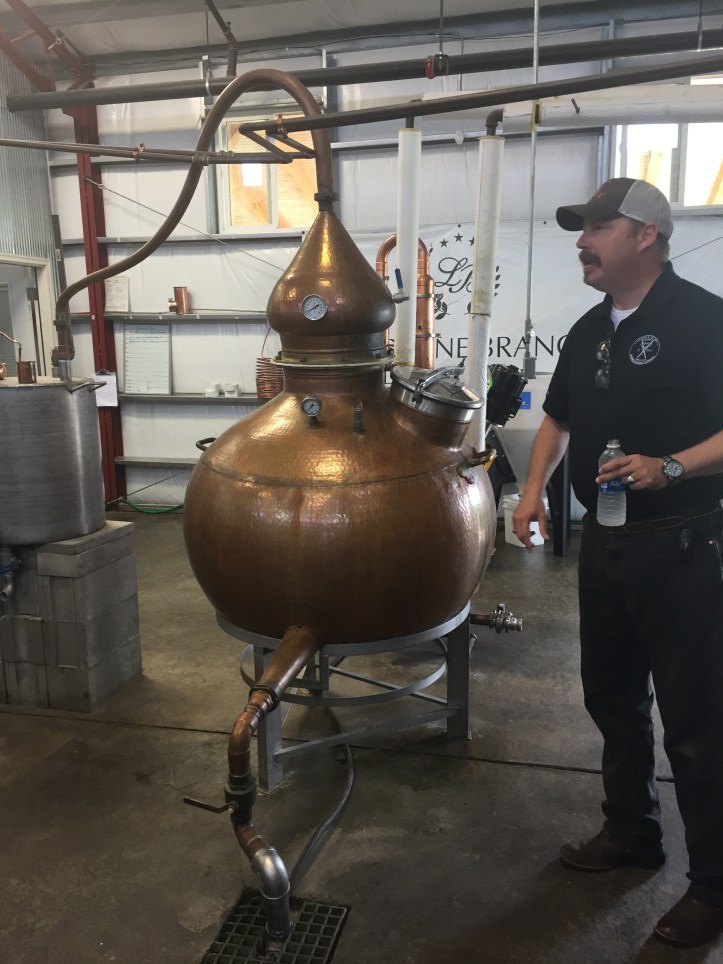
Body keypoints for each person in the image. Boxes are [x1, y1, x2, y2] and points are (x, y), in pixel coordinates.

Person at [512, 176, 723, 949]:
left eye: (598, 227)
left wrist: (670, 466)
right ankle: (631, 832)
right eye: (581, 228)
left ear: (645, 236)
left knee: (695, 723)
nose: (581, 241)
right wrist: (530, 491)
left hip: (681, 547)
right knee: (611, 698)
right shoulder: (588, 328)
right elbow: (557, 417)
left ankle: (713, 886)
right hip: (603, 548)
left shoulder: (702, 319)